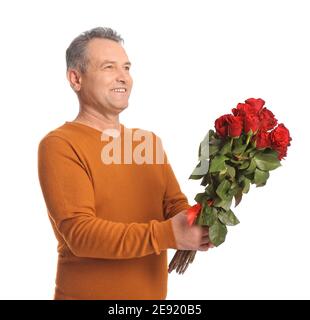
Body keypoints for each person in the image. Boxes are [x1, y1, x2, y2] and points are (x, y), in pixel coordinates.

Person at [37, 27, 213, 300]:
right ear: (76, 78)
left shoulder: (148, 142)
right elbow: (80, 234)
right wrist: (168, 234)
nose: (123, 77)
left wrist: (211, 209)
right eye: (109, 67)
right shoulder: (60, 144)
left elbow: (175, 207)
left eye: (127, 67)